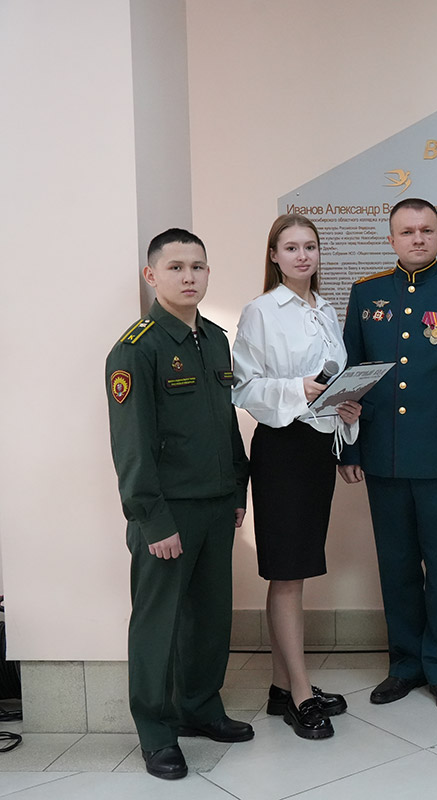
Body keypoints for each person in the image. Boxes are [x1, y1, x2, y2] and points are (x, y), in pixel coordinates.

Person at [105, 228, 253, 780]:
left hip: (216, 505)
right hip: (169, 513)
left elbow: (226, 424)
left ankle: (200, 708)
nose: (189, 277)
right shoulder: (136, 348)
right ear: (152, 276)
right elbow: (132, 445)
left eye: (198, 267)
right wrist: (151, 519)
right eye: (175, 268)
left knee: (210, 619)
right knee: (159, 625)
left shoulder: (214, 339)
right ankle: (155, 731)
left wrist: (237, 490)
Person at [339, 198, 437, 716]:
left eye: (427, 230)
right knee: (397, 565)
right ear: (392, 239)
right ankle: (405, 664)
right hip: (383, 454)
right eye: (407, 231)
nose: (418, 239)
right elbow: (352, 378)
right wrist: (351, 447)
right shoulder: (366, 294)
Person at [231, 214, 361, 739]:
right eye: (291, 247)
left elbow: (335, 382)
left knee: (297, 570)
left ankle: (281, 687)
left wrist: (346, 407)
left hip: (317, 449)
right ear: (274, 256)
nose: (303, 256)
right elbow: (244, 387)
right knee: (285, 573)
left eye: (310, 246)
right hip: (282, 448)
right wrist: (298, 390)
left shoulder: (325, 311)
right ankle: (301, 695)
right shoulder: (261, 311)